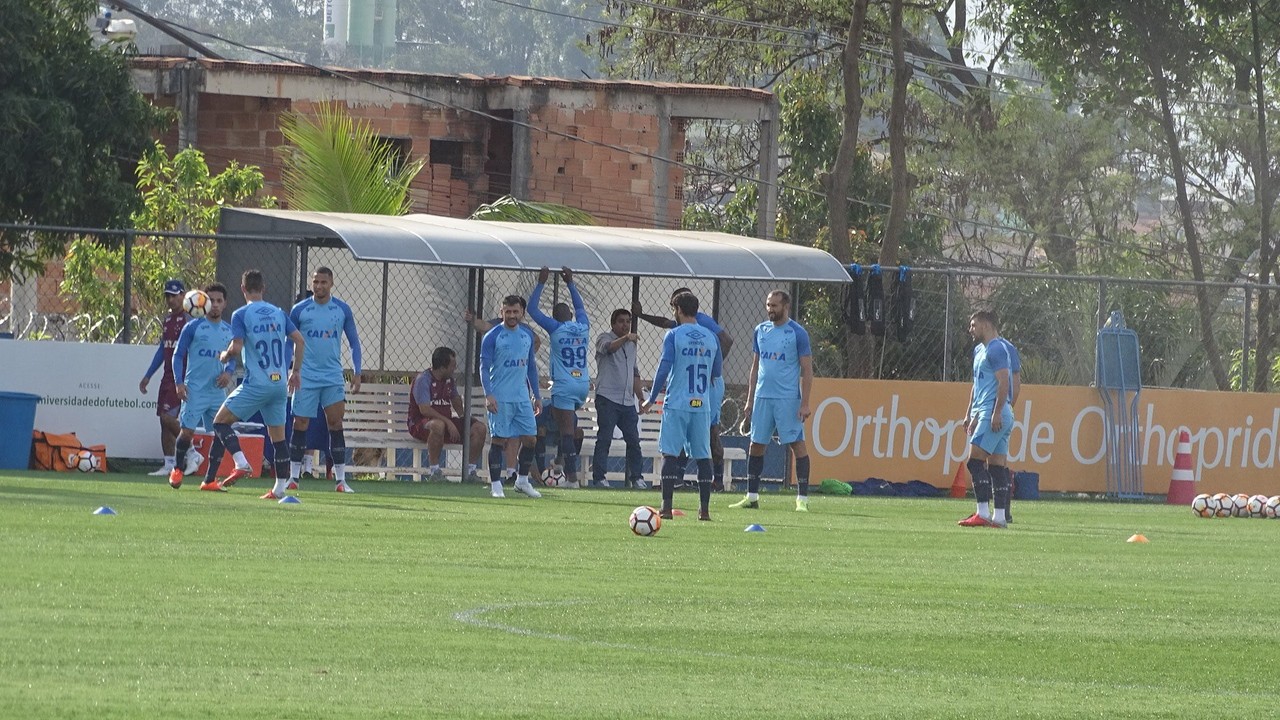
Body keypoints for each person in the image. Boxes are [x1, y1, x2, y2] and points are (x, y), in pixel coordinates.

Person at [200, 269, 305, 497]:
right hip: (279, 384)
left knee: (219, 423)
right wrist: (295, 371)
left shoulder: (241, 314)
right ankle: (279, 490)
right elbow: (299, 340)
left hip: (257, 383)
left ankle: (240, 462)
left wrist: (225, 356)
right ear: (263, 288)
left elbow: (236, 348)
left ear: (243, 289)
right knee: (278, 438)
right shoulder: (278, 313)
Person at [634, 288, 733, 490]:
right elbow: (664, 323)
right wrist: (642, 315)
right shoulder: (692, 329)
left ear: (678, 308)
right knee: (697, 438)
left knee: (709, 430)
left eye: (673, 308)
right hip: (701, 386)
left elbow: (727, 340)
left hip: (705, 386)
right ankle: (684, 484)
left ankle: (717, 481)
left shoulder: (698, 326)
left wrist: (709, 366)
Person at [733, 290, 814, 511]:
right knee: (756, 444)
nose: (770, 309)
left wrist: (805, 403)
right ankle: (752, 496)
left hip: (787, 398)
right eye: (768, 305)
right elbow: (755, 366)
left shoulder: (797, 333)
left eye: (774, 306)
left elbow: (807, 370)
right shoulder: (760, 330)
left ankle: (802, 500)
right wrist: (750, 399)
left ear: (785, 306)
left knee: (797, 444)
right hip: (762, 397)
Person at [287, 267, 362, 494]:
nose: (319, 286)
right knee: (300, 423)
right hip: (306, 376)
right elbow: (288, 341)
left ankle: (340, 481)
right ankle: (293, 477)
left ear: (331, 283)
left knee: (336, 424)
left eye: (323, 282)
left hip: (332, 376)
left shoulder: (341, 309)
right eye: (315, 282)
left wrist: (357, 372)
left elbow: (354, 342)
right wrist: (290, 369)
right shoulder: (299, 310)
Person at [166, 283, 235, 488]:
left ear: (224, 304)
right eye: (211, 300)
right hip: (194, 390)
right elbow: (178, 356)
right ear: (202, 302)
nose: (214, 305)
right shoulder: (193, 327)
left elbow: (232, 358)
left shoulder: (228, 330)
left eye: (219, 301)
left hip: (216, 391)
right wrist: (179, 383)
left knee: (222, 432)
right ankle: (178, 469)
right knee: (187, 432)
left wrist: (228, 372)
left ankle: (210, 479)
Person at [527, 266, 590, 488]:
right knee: (565, 423)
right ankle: (562, 467)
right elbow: (581, 306)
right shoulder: (583, 326)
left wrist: (541, 282)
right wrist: (570, 283)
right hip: (582, 383)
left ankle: (571, 479)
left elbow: (532, 309)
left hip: (564, 384)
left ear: (554, 318)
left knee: (567, 432)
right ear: (571, 316)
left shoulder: (554, 328)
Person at [479, 294, 543, 499]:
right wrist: (489, 395)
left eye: (516, 312)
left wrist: (537, 395)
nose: (512, 315)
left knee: (531, 439)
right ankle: (496, 485)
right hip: (501, 397)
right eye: (508, 312)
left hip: (522, 398)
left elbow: (531, 368)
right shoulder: (492, 336)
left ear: (522, 313)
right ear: (501, 312)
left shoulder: (526, 336)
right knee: (499, 440)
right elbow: (483, 367)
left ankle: (522, 481)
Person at [958, 310, 1015, 528]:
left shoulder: (997, 348)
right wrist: (971, 414)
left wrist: (996, 412)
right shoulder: (979, 350)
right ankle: (999, 517)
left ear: (986, 324)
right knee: (996, 468)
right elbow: (977, 385)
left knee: (974, 462)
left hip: (994, 413)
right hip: (986, 412)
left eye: (973, 325)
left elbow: (1004, 383)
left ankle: (982, 513)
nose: (970, 329)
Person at [408, 346, 487, 482]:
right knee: (438, 425)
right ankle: (435, 471)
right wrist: (449, 422)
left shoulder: (449, 380)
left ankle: (470, 471)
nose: (454, 369)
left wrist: (464, 419)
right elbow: (424, 409)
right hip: (422, 423)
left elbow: (455, 400)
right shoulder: (423, 380)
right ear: (442, 367)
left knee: (479, 428)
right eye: (452, 366)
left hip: (446, 423)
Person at [592, 307, 647, 489]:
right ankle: (600, 477)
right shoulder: (604, 338)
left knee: (633, 440)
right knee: (605, 438)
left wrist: (640, 397)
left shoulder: (631, 346)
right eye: (621, 321)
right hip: (608, 398)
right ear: (613, 324)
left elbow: (634, 373)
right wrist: (625, 338)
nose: (625, 325)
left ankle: (637, 477)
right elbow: (608, 349)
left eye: (628, 321)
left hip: (627, 401)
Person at [138, 278, 187, 476]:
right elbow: (162, 349)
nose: (171, 300)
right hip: (167, 376)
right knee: (162, 420)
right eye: (168, 296)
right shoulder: (167, 320)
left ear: (184, 296)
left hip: (181, 377)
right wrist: (148, 374)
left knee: (168, 417)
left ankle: (190, 451)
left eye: (175, 296)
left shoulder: (189, 320)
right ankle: (169, 465)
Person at [992, 332, 1022, 522]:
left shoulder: (1005, 348)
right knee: (996, 462)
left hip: (996, 409)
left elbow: (1015, 382)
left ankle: (996, 512)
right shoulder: (983, 348)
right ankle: (1002, 512)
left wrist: (1006, 408)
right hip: (994, 408)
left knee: (991, 462)